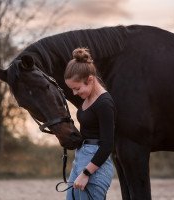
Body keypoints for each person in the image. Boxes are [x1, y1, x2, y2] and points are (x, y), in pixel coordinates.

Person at [64, 47, 116, 200]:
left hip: (95, 166)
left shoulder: (104, 103)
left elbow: (107, 145)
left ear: (90, 79)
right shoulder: (88, 99)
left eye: (77, 88)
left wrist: (86, 173)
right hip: (82, 158)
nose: (74, 93)